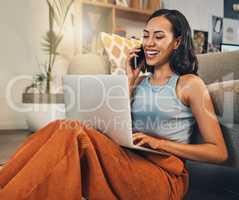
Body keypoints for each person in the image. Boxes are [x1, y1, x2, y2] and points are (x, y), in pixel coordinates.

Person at [0, 9, 227, 200]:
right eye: (146, 36)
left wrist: (160, 144)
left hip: (164, 175)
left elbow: (218, 152)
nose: (149, 43)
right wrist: (129, 78)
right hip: (127, 160)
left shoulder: (190, 84)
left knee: (74, 135)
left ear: (177, 42)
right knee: (61, 126)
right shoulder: (139, 82)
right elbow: (116, 124)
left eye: (158, 37)